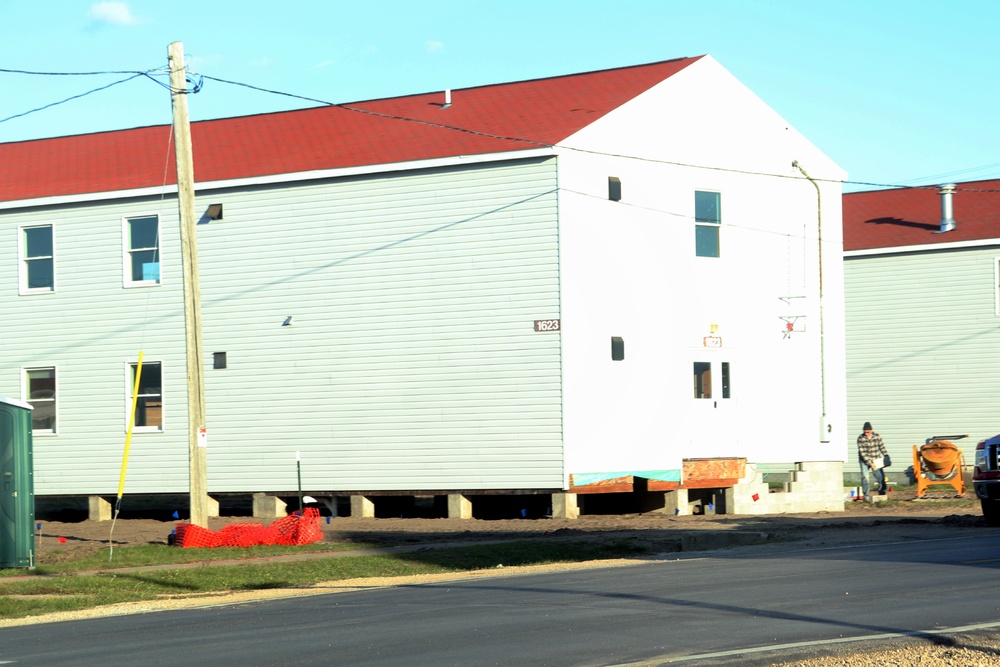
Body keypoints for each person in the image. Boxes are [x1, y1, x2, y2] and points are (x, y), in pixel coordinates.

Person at [857, 421, 889, 497]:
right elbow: (863, 453)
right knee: (865, 477)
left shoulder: (877, 437)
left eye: (868, 432)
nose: (866, 434)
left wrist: (886, 455)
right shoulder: (860, 438)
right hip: (864, 461)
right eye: (865, 432)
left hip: (876, 459)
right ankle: (866, 495)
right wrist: (870, 463)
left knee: (880, 476)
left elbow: (882, 447)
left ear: (871, 431)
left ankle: (882, 492)